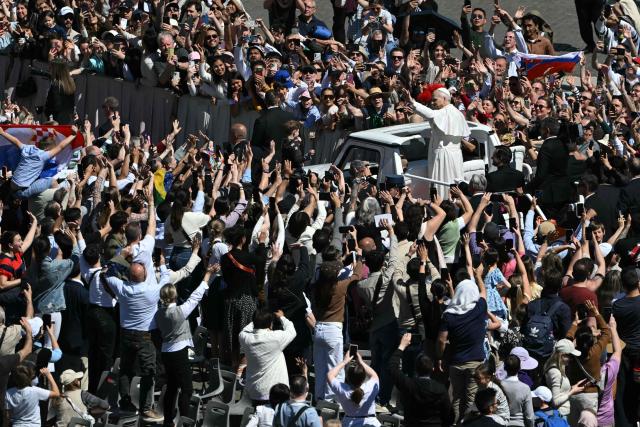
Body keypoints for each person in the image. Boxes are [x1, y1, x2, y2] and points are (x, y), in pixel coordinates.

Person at [155, 263, 216, 426]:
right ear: (175, 296)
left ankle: (168, 420)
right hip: (179, 351)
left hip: (166, 352)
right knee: (187, 389)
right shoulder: (179, 312)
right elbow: (195, 297)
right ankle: (185, 420)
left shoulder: (158, 313)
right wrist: (207, 276)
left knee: (172, 387)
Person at [404, 87, 470, 198]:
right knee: (454, 182)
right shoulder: (457, 113)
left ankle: (443, 205)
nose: (433, 103)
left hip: (443, 156)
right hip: (456, 156)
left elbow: (429, 114)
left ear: (444, 98)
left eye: (435, 100)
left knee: (442, 184)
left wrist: (412, 102)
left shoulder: (445, 112)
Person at [388, 333, 453, 426]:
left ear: (416, 369)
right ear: (433, 369)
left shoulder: (408, 385)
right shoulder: (440, 389)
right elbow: (449, 414)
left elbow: (392, 367)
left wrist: (402, 346)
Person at [239, 309, 297, 404]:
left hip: (254, 392)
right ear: (270, 324)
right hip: (275, 392)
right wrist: (282, 317)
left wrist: (257, 320)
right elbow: (292, 331)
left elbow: (245, 330)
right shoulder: (275, 338)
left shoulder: (244, 338)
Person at [327, 351, 380, 427]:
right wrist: (361, 362)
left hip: (349, 424)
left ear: (347, 377)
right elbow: (374, 375)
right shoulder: (370, 387)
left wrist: (344, 362)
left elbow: (330, 375)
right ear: (364, 377)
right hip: (371, 423)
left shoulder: (343, 390)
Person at [499, 355, 534, 427]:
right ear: (520, 368)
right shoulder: (525, 388)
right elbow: (529, 416)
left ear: (505, 368)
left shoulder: (499, 386)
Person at [44, 60, 76, 125]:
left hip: (55, 121)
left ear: (56, 70)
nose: (50, 70)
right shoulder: (71, 84)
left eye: (51, 68)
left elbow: (55, 105)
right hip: (67, 120)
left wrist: (46, 109)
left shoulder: (56, 85)